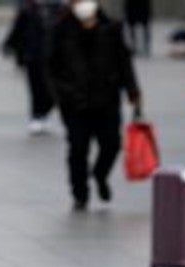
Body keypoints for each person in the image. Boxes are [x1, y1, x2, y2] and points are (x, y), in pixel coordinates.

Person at [47, 0, 140, 211]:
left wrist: (133, 90)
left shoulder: (111, 28)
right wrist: (63, 94)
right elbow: (51, 67)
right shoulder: (60, 29)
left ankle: (100, 173)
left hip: (106, 99)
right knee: (78, 149)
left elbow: (124, 62)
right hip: (74, 103)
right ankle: (80, 192)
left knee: (112, 144)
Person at [1, 0, 62, 134]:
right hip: (33, 56)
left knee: (54, 89)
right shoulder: (28, 9)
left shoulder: (60, 10)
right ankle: (36, 116)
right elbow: (17, 29)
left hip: (55, 58)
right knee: (36, 88)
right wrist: (8, 45)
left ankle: (44, 111)